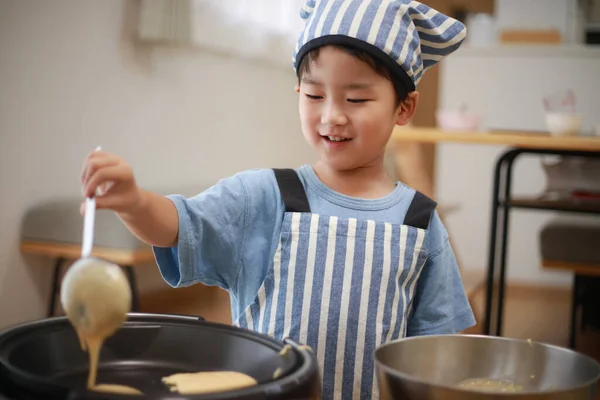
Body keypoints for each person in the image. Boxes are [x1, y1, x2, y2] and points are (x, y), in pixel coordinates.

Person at [80, 0, 476, 398]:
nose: (332, 115)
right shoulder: (265, 197)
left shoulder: (419, 223)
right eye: (315, 95)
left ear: (404, 107)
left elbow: (432, 352)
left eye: (356, 100)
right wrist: (133, 202)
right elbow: (179, 225)